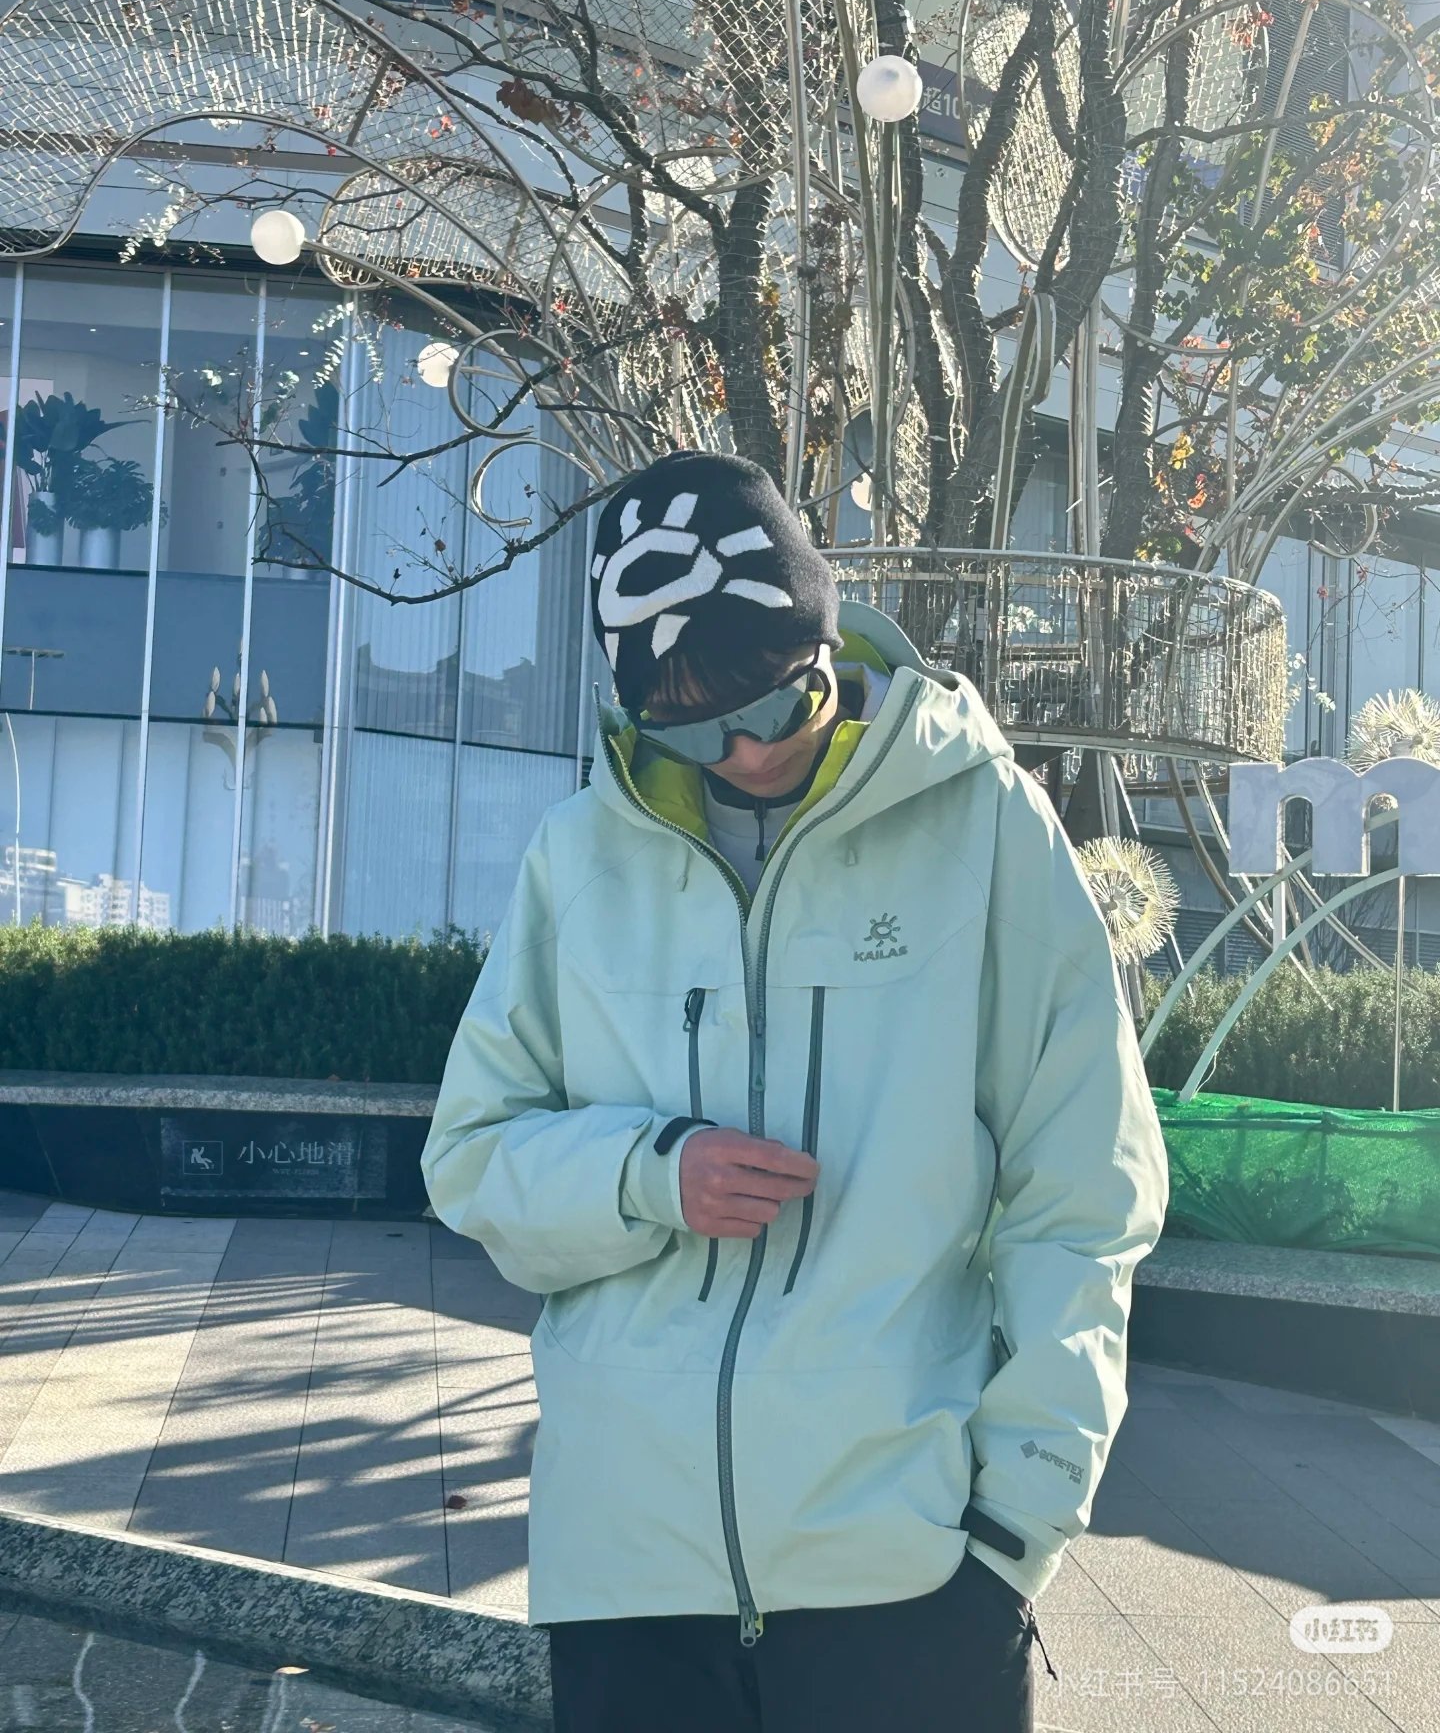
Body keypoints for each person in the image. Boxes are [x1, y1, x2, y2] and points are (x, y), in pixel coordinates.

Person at [421, 449, 1171, 1733]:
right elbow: (472, 1156)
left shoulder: (987, 825)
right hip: (629, 1574)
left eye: (771, 705)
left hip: (910, 1572)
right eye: (688, 728)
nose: (744, 752)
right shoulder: (578, 859)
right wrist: (649, 1176)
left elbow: (1086, 1188)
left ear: (820, 639)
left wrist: (1016, 1524)